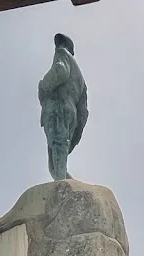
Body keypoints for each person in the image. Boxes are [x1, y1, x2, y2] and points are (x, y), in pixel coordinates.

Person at [38, 33, 88, 180]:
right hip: (69, 112)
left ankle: (63, 190)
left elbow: (60, 70)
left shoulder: (62, 53)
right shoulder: (81, 79)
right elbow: (83, 110)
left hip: (58, 107)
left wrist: (43, 86)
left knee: (57, 151)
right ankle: (69, 186)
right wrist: (76, 128)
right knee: (55, 164)